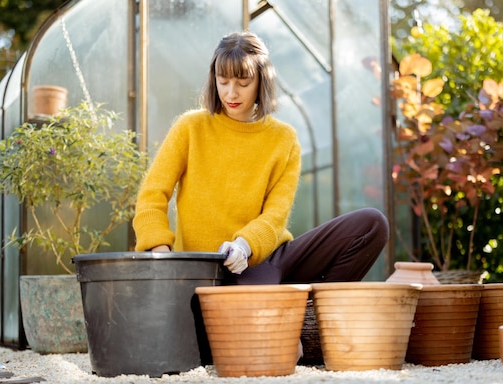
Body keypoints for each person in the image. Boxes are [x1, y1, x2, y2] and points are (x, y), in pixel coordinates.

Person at [133, 31, 389, 287]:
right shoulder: (190, 127)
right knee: (251, 296)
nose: (231, 93)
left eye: (243, 83)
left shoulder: (284, 138)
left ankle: (318, 311)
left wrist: (244, 245)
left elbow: (276, 214)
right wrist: (161, 253)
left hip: (265, 256)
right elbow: (152, 196)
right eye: (223, 82)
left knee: (372, 224)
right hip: (210, 269)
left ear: (261, 82)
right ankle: (289, 307)